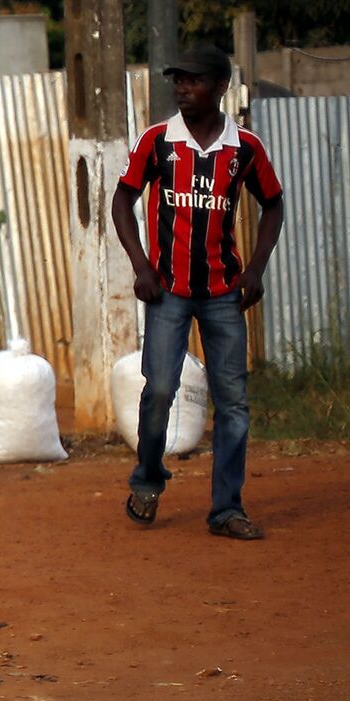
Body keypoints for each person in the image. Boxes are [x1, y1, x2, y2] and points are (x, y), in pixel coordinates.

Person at [113, 44, 284, 540]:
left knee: (233, 403)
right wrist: (141, 264)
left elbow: (272, 205)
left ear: (221, 87)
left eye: (194, 80)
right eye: (178, 80)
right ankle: (147, 479)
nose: (183, 88)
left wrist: (255, 269)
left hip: (225, 293)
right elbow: (123, 199)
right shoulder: (158, 140)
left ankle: (226, 509)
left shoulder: (244, 148)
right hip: (166, 292)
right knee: (160, 390)